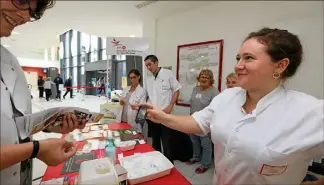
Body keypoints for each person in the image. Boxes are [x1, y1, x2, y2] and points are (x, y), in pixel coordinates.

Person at [139, 28, 323, 184]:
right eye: (238, 58)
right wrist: (162, 117)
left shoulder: (309, 112)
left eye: (248, 58)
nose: (237, 66)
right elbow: (198, 123)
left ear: (280, 66)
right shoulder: (228, 96)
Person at [0, 1, 86, 185]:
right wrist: (36, 149)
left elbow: (16, 124)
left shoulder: (10, 61)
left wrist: (50, 124)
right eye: (21, 0)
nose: (24, 16)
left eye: (31, 11)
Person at [144, 55, 192, 163]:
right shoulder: (149, 78)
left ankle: (169, 164)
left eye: (150, 64)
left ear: (156, 62)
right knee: (155, 141)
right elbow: (149, 96)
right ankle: (157, 163)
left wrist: (170, 106)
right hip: (154, 115)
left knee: (167, 142)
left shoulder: (167, 74)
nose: (148, 67)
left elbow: (177, 90)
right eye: (146, 65)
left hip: (166, 115)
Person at [187, 69, 218, 174]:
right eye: (202, 76)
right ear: (198, 78)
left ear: (211, 80)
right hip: (192, 121)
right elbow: (192, 104)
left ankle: (205, 164)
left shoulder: (214, 92)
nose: (203, 79)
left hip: (205, 123)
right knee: (194, 141)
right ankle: (196, 157)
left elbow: (216, 110)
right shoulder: (195, 89)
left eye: (206, 77)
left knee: (206, 145)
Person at [118, 69, 147, 136]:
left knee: (132, 139)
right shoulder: (126, 89)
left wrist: (136, 107)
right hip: (122, 119)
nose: (132, 79)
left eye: (134, 77)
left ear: (139, 77)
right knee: (123, 138)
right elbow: (121, 104)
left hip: (133, 121)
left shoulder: (142, 91)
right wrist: (121, 102)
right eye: (131, 78)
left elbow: (142, 108)